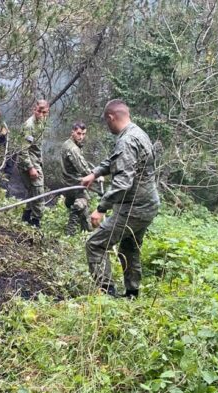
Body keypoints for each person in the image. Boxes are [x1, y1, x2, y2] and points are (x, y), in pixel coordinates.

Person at [81, 99, 159, 298]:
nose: (108, 126)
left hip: (133, 208)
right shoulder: (138, 133)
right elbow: (116, 160)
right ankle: (132, 294)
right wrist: (96, 173)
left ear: (111, 117)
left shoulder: (126, 140)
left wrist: (101, 208)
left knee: (95, 244)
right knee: (129, 248)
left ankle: (106, 295)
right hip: (147, 206)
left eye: (107, 122)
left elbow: (123, 183)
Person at [18, 99, 50, 227]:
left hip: (35, 160)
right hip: (27, 161)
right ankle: (36, 222)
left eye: (44, 112)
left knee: (33, 189)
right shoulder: (29, 125)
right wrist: (31, 168)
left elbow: (37, 146)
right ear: (34, 110)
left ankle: (26, 216)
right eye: (39, 111)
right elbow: (23, 150)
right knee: (38, 190)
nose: (41, 114)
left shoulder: (42, 122)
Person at [60, 121, 93, 235]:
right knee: (81, 204)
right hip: (75, 183)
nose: (81, 137)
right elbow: (82, 169)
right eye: (79, 133)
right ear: (73, 132)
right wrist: (96, 176)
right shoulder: (72, 148)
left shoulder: (68, 144)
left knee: (84, 209)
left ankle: (87, 232)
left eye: (83, 134)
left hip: (69, 183)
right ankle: (70, 233)